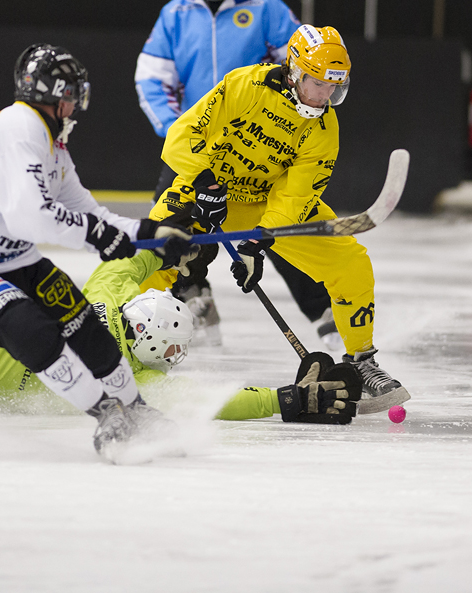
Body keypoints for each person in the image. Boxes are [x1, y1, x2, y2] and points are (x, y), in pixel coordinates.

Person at [143, 24, 410, 414]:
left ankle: (362, 362)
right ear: (295, 71)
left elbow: (296, 195)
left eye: (335, 85)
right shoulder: (244, 86)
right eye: (318, 83)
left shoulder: (324, 128)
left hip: (263, 206)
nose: (326, 95)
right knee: (151, 256)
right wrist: (206, 184)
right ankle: (113, 343)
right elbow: (183, 136)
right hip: (204, 188)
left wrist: (257, 241)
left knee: (350, 263)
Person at [0, 43, 195, 461]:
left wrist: (151, 232)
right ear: (52, 95)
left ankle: (136, 410)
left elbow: (87, 210)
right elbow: (30, 219)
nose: (75, 104)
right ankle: (107, 412)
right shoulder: (19, 132)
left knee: (84, 323)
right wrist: (100, 236)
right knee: (30, 330)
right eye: (70, 95)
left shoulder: (51, 140)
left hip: (15, 259)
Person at [134, 0, 340, 351]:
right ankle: (191, 300)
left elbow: (302, 66)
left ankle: (322, 310)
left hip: (259, 147)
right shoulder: (174, 14)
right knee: (169, 226)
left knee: (276, 225)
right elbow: (152, 78)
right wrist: (173, 129)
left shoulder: (265, 8)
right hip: (201, 146)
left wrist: (301, 113)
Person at [0, 251, 357, 424]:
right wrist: (283, 399)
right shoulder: (132, 377)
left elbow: (129, 259)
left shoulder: (106, 295)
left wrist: (173, 253)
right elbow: (211, 401)